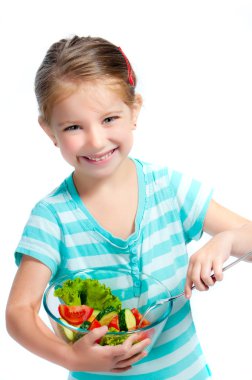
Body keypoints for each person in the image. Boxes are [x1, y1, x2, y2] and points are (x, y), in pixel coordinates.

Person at [6, 35, 252, 380]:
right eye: (74, 126)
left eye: (109, 119)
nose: (95, 140)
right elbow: (19, 312)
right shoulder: (52, 218)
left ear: (134, 111)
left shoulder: (168, 188)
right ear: (49, 131)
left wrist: (224, 241)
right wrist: (70, 357)